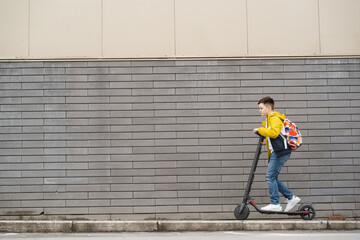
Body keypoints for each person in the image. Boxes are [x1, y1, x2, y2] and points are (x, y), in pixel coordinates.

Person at [253, 96, 300, 212]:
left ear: (269, 107)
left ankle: (275, 204)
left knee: (270, 176)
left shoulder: (274, 117)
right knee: (272, 177)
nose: (260, 110)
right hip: (278, 152)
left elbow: (274, 133)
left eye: (261, 108)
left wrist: (260, 130)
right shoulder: (270, 119)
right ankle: (291, 197)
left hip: (280, 152)